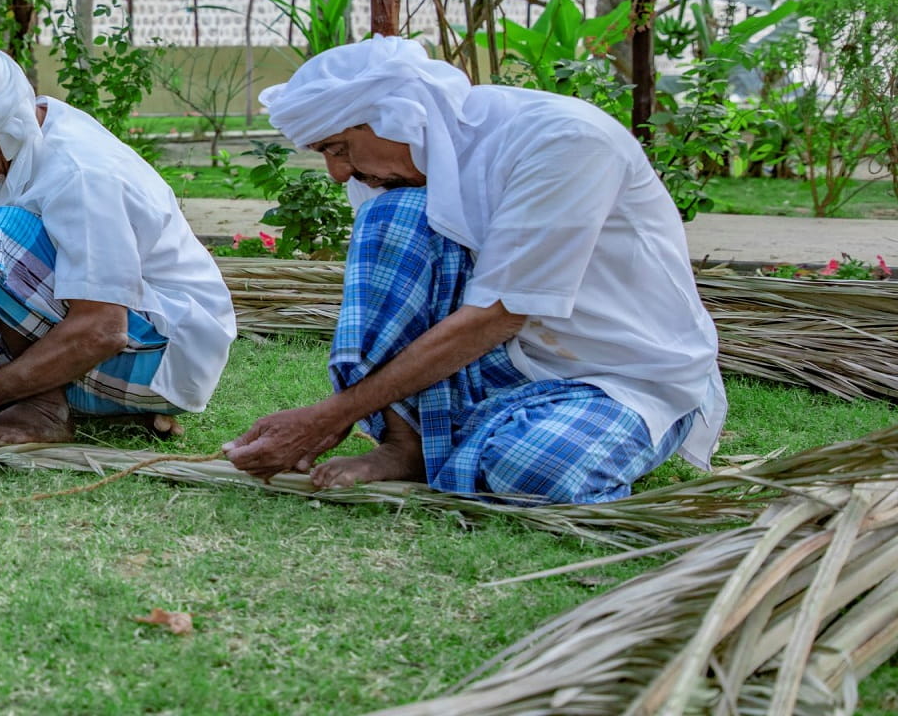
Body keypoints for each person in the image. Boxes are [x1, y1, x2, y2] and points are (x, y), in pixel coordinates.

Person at [224, 37, 727, 504]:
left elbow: (497, 315)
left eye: (337, 148)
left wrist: (332, 416)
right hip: (504, 363)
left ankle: (501, 441)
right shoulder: (393, 172)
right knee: (392, 216)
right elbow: (412, 307)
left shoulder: (564, 141)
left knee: (531, 469)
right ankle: (409, 445)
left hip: (621, 372)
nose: (338, 172)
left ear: (397, 118)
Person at [0, 45, 236, 444]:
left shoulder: (80, 172)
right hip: (111, 346)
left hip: (161, 356)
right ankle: (100, 409)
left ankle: (43, 409)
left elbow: (103, 329)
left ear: (4, 125)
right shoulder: (13, 148)